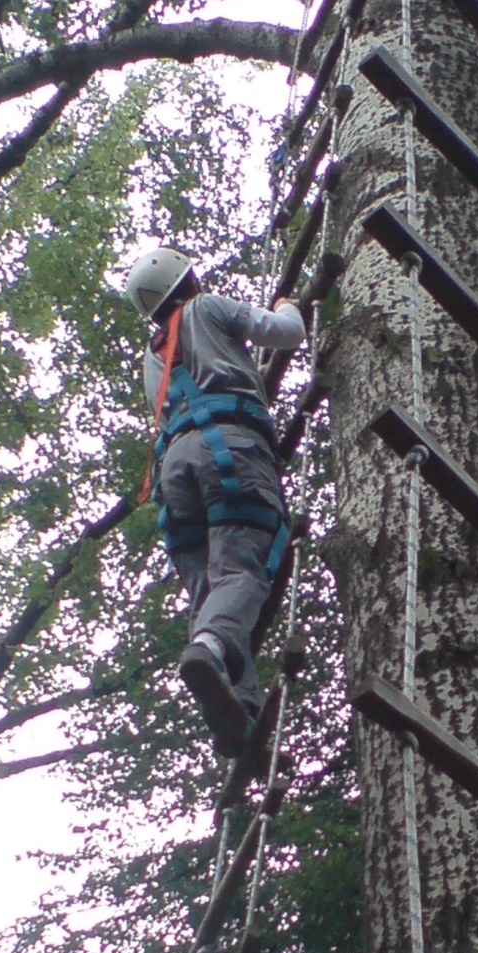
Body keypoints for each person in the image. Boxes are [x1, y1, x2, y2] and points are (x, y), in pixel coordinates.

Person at [126, 247, 307, 756]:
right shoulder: (207, 307)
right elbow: (287, 333)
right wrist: (291, 306)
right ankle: (209, 650)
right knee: (244, 571)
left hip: (175, 470)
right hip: (229, 448)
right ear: (187, 278)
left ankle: (236, 702)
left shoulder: (152, 360)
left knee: (210, 588)